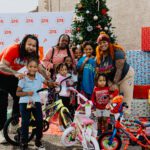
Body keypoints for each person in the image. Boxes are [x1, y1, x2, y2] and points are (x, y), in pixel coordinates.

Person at [0, 34, 49, 143]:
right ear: (23, 43)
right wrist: (15, 73)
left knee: (19, 99)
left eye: (34, 45)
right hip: (2, 75)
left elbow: (40, 68)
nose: (31, 47)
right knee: (2, 104)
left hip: (14, 76)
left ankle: (14, 123)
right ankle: (1, 131)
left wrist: (47, 77)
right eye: (29, 44)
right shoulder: (14, 49)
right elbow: (2, 65)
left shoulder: (33, 54)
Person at [16, 58, 58, 150]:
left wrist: (53, 84)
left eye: (35, 67)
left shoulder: (39, 76)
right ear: (27, 67)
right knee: (25, 122)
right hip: (24, 102)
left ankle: (38, 142)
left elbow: (48, 84)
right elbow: (17, 93)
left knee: (40, 122)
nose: (32, 69)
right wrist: (27, 93)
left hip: (36, 102)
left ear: (37, 68)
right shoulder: (23, 78)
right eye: (30, 66)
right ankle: (24, 143)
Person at [96, 31, 134, 113]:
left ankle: (125, 119)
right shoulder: (100, 56)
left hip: (125, 76)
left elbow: (119, 69)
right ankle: (114, 119)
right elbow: (102, 73)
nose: (102, 44)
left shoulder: (117, 51)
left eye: (104, 42)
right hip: (113, 80)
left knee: (125, 98)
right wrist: (109, 83)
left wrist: (114, 83)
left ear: (108, 42)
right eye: (100, 43)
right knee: (114, 99)